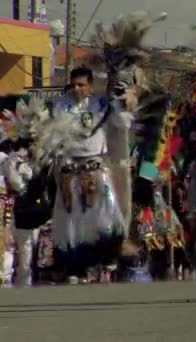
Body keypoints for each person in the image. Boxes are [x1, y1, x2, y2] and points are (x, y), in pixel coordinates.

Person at [49, 67, 126, 284]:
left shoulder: (100, 103)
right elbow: (54, 135)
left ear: (90, 86)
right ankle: (76, 265)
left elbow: (120, 119)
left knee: (106, 213)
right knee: (71, 220)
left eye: (81, 85)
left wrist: (119, 93)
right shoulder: (61, 106)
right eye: (73, 85)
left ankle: (106, 257)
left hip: (96, 165)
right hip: (70, 167)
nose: (77, 89)